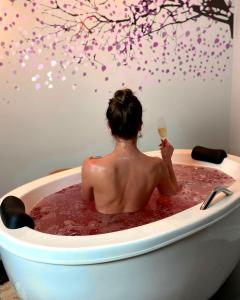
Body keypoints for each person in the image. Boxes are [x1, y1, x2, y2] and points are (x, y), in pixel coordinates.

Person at [81, 89, 179, 214]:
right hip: (143, 230)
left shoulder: (91, 167)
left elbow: (86, 203)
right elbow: (172, 192)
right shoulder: (157, 166)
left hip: (105, 230)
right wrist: (167, 159)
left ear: (110, 126)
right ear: (140, 126)